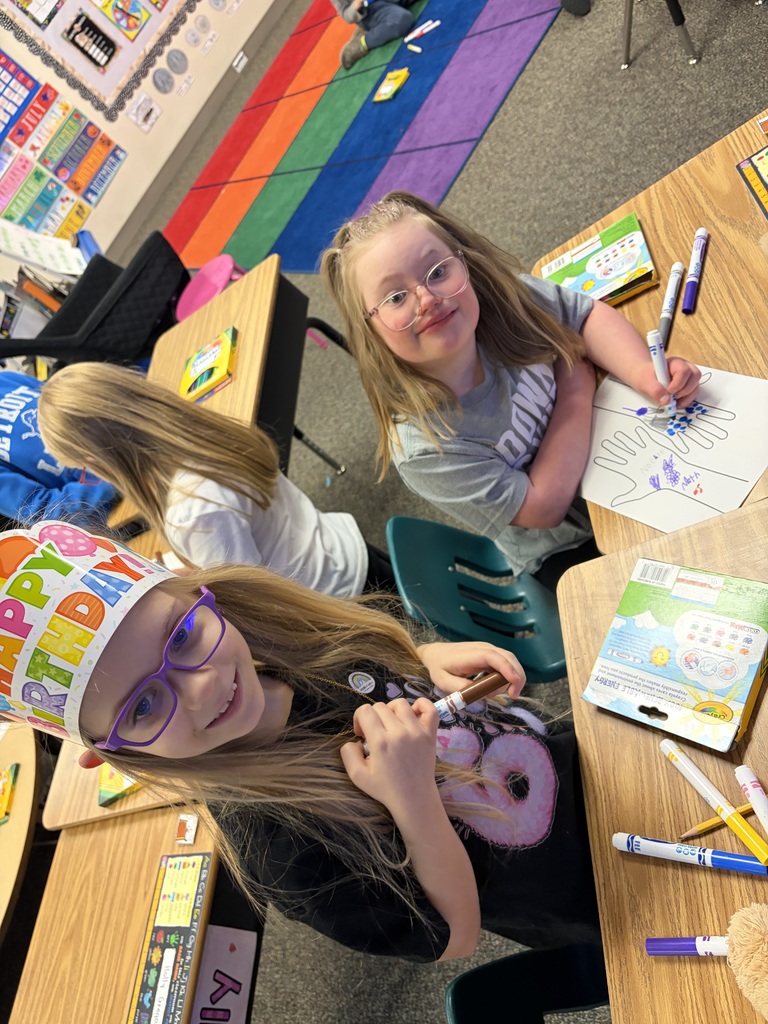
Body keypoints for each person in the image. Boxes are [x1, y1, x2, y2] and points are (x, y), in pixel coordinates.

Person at [0, 520, 601, 961]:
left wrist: (421, 661)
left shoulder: (286, 640)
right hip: (587, 887)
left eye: (182, 636)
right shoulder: (284, 854)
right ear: (114, 754)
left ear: (191, 591)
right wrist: (413, 800)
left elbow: (364, 672)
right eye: (145, 705)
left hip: (587, 759)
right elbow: (455, 937)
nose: (204, 687)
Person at [320, 191, 702, 590]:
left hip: (611, 446)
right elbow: (544, 506)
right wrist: (575, 387)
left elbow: (583, 317)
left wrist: (644, 373)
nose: (428, 299)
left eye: (437, 271)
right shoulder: (425, 448)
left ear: (462, 261)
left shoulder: (497, 298)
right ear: (371, 329)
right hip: (571, 543)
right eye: (396, 297)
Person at [37, 362, 394, 597]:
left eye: (84, 469)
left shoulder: (191, 513)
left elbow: (262, 601)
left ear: (97, 459)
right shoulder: (196, 432)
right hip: (340, 544)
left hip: (339, 595)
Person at [0, 370, 116, 530]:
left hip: (132, 446)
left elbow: (75, 399)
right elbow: (46, 511)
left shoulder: (5, 380)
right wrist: (109, 477)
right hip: (117, 501)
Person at [333, 0, 416, 71]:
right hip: (370, 11)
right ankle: (361, 42)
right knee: (402, 20)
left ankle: (374, 26)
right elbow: (347, 16)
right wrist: (356, 5)